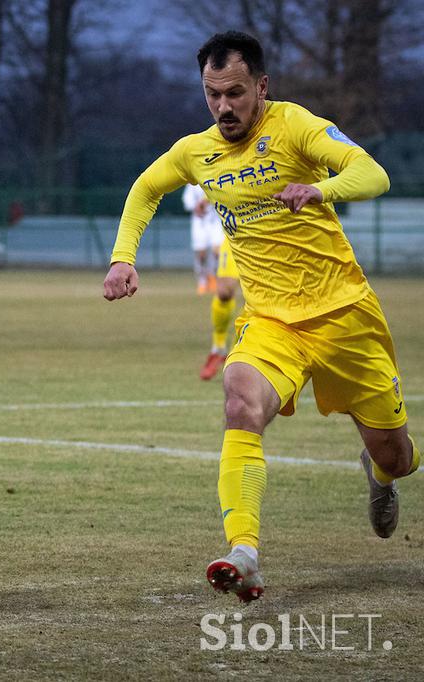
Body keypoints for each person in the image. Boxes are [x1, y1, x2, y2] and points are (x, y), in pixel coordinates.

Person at [102, 31, 418, 603]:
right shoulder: (196, 152)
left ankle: (381, 475)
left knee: (398, 455)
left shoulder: (295, 126)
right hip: (272, 322)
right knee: (239, 399)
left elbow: (373, 173)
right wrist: (124, 258)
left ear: (261, 87)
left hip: (345, 316)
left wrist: (321, 190)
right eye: (212, 94)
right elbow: (146, 189)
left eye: (236, 93)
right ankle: (243, 552)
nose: (224, 107)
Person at [198, 238, 241, 380]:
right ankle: (219, 347)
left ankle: (238, 352)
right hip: (238, 232)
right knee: (224, 293)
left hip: (272, 234)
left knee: (259, 296)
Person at [182, 183, 225, 294]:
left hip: (215, 221)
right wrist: (195, 206)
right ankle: (202, 281)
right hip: (199, 222)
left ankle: (213, 277)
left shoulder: (214, 177)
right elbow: (187, 201)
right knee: (201, 255)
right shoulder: (192, 184)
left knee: (217, 252)